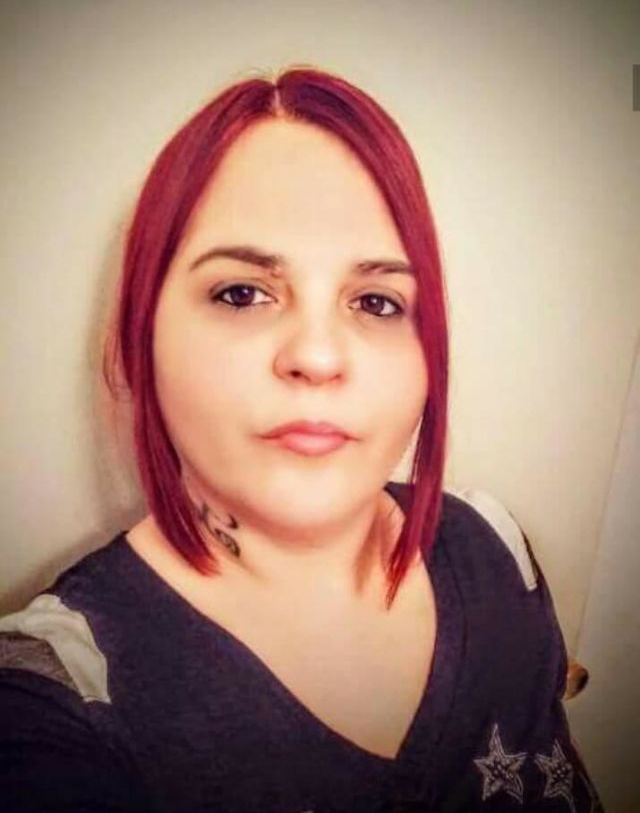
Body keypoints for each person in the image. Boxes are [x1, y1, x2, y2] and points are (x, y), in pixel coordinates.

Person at [0, 67, 603, 812]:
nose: (317, 356)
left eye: (376, 302)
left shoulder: (495, 546)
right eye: (241, 293)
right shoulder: (57, 695)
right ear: (140, 335)